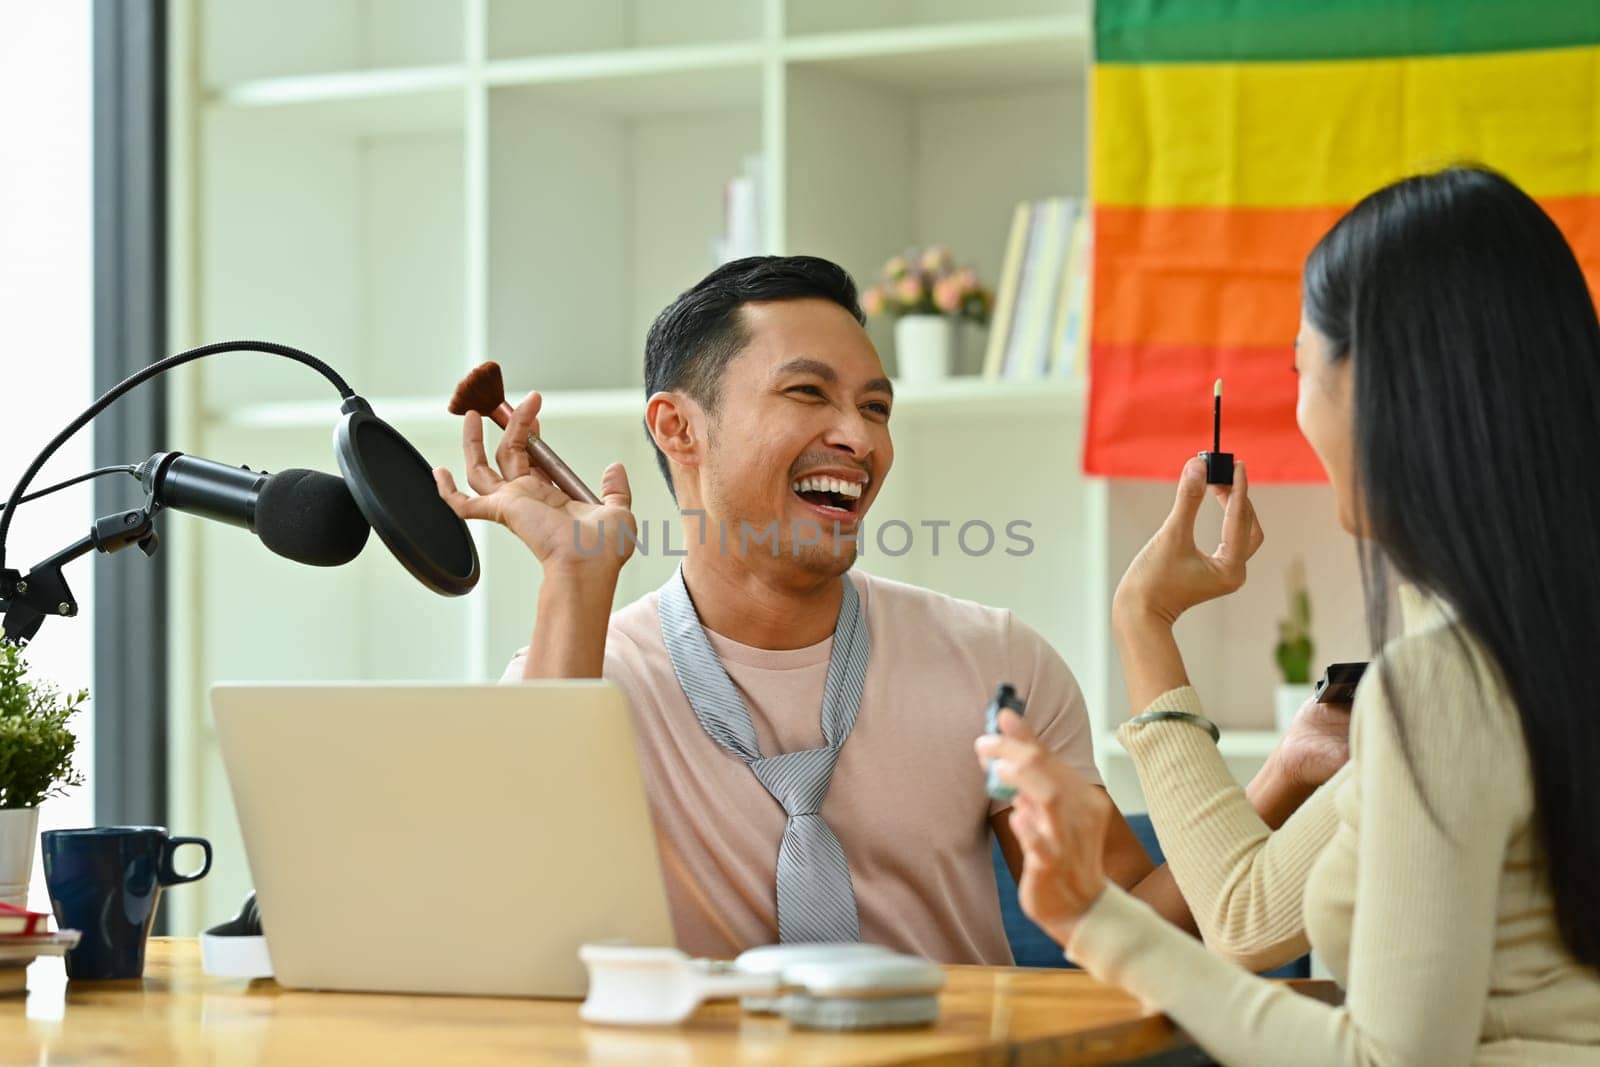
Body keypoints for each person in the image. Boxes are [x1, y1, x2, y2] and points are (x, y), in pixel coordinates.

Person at [434, 255, 1338, 963]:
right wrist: (574, 577)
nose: (859, 438)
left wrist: (1288, 771)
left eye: (876, 406)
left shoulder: (996, 663)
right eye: (808, 393)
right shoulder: (582, 671)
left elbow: (1139, 930)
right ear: (678, 427)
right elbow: (520, 929)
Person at [978, 166, 1600, 1062]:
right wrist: (1145, 622)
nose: (1299, 408)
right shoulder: (1517, 657)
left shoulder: (1444, 685)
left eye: (1301, 366)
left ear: (1380, 391)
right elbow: (1246, 908)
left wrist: (1089, 917)